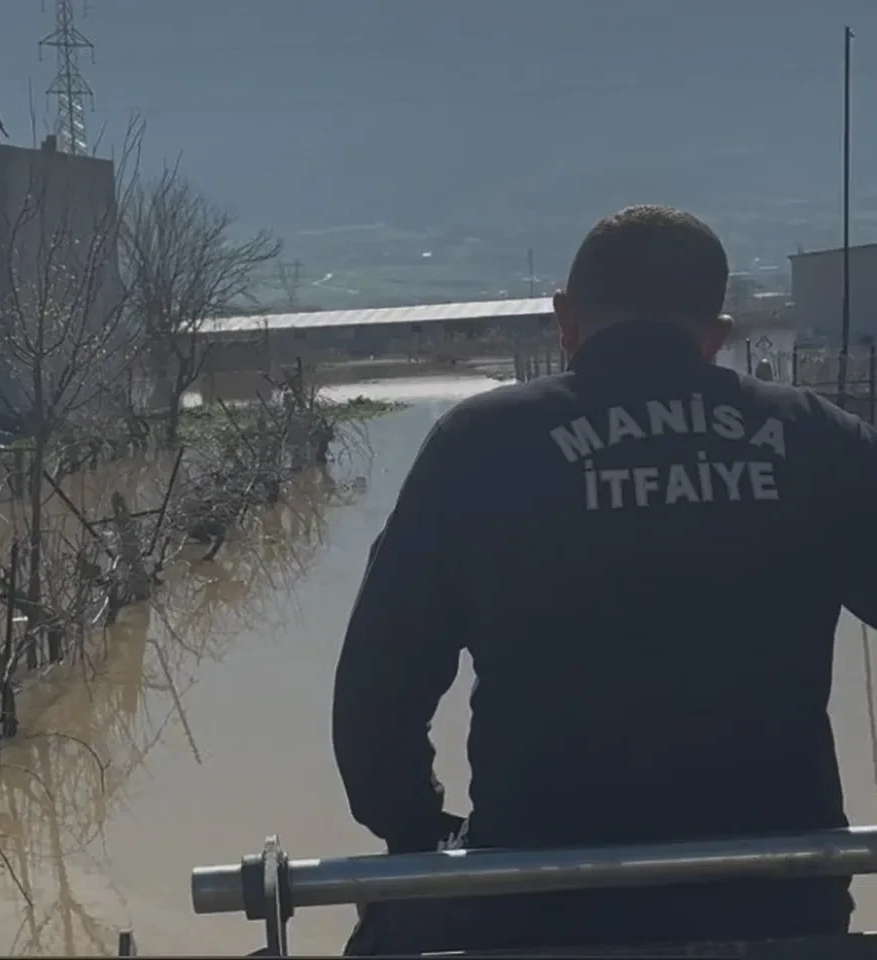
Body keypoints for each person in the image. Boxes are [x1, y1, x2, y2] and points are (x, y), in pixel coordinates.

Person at [333, 204, 868, 955]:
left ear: (565, 319)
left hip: (538, 901)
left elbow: (377, 693)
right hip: (783, 899)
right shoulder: (817, 438)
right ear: (718, 335)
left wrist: (421, 832)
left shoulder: (481, 444)